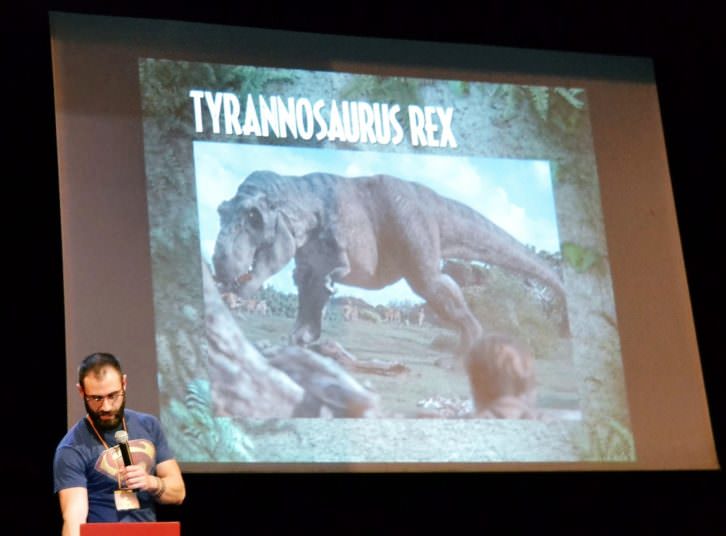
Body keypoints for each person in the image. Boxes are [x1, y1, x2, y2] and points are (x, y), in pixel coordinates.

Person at [53, 352, 185, 536]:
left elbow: (178, 493)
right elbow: (74, 519)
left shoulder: (149, 425)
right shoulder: (71, 448)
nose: (106, 407)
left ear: (124, 383)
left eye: (113, 396)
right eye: (96, 398)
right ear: (81, 391)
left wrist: (150, 482)